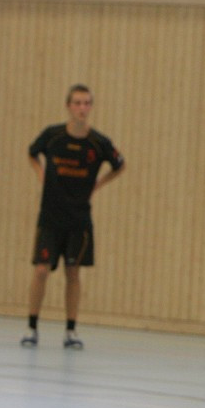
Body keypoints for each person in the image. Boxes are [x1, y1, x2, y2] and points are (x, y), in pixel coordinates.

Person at [21, 84, 125, 349]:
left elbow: (119, 165)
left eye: (87, 103)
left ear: (91, 107)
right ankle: (32, 327)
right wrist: (40, 173)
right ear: (68, 105)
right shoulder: (53, 136)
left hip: (79, 219)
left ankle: (70, 330)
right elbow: (32, 153)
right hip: (50, 217)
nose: (82, 108)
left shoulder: (98, 143)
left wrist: (99, 184)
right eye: (77, 103)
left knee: (73, 272)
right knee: (41, 270)